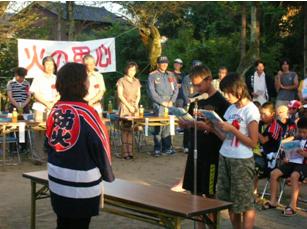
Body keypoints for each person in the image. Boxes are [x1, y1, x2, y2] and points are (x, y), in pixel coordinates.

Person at [45, 62, 115, 229]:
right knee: (80, 224)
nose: (89, 82)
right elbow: (101, 147)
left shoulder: (55, 110)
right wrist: (108, 174)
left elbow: (48, 144)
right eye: (86, 79)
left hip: (56, 179)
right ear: (81, 83)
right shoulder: (88, 112)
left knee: (62, 222)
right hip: (82, 184)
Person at [215, 72, 260, 229]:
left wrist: (232, 130)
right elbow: (225, 137)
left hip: (242, 161)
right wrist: (211, 126)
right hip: (225, 156)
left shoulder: (251, 110)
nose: (226, 96)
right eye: (224, 92)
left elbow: (253, 143)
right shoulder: (231, 109)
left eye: (228, 92)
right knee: (229, 201)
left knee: (245, 202)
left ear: (239, 89)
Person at [180, 65, 229, 198]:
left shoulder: (222, 102)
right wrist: (186, 123)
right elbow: (190, 119)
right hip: (195, 149)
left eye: (199, 85)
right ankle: (199, 218)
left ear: (209, 80)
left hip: (211, 152)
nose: (197, 88)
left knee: (209, 193)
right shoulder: (196, 99)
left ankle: (210, 219)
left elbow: (225, 131)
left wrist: (207, 127)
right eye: (194, 85)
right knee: (193, 189)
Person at [263, 117, 307, 217]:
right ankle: (273, 201)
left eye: (304, 132)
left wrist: (304, 153)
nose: (302, 134)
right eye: (300, 131)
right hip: (291, 162)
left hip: (304, 165)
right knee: (273, 173)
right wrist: (285, 157)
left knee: (294, 176)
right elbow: (287, 152)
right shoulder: (297, 138)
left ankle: (293, 205)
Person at [147, 56, 178, 156]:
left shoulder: (171, 75)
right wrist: (162, 102)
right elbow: (151, 92)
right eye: (162, 63)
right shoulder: (152, 75)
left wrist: (172, 101)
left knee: (168, 126)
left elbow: (176, 89)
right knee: (158, 126)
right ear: (158, 64)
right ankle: (157, 148)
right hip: (159, 104)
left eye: (166, 63)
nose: (164, 64)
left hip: (170, 103)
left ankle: (167, 148)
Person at [30, 56, 58, 163]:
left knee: (54, 132)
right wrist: (46, 103)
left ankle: (54, 156)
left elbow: (60, 93)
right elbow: (34, 93)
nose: (49, 66)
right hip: (39, 107)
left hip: (53, 107)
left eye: (51, 64)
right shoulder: (38, 77)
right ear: (43, 65)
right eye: (47, 64)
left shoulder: (56, 78)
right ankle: (38, 157)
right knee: (39, 133)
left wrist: (53, 102)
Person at [255, 102, 282, 193]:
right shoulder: (260, 123)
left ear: (272, 114)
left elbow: (263, 140)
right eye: (261, 113)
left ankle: (253, 193)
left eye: (264, 114)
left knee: (253, 166)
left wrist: (253, 129)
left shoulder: (275, 127)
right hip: (258, 153)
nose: (262, 116)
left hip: (270, 159)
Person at [116, 62, 141, 160]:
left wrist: (135, 105)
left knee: (131, 130)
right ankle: (125, 152)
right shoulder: (121, 80)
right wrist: (128, 106)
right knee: (124, 129)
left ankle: (130, 151)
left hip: (134, 107)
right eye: (130, 70)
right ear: (127, 70)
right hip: (125, 107)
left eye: (134, 70)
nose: (132, 72)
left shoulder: (137, 81)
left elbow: (138, 95)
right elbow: (120, 95)